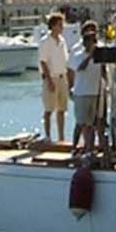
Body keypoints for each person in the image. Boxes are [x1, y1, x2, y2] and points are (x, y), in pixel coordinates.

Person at [70, 21, 105, 155]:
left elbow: (102, 72)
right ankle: (74, 147)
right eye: (90, 42)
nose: (92, 44)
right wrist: (90, 56)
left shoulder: (99, 58)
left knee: (91, 124)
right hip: (81, 93)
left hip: (94, 92)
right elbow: (80, 68)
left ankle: (89, 148)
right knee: (80, 123)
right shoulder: (79, 55)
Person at [38, 13, 71, 143]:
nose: (62, 27)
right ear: (52, 26)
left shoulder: (62, 41)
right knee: (49, 109)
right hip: (51, 77)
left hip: (62, 77)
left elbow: (65, 60)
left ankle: (61, 137)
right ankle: (48, 136)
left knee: (62, 109)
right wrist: (49, 81)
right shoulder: (45, 41)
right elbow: (43, 61)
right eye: (59, 25)